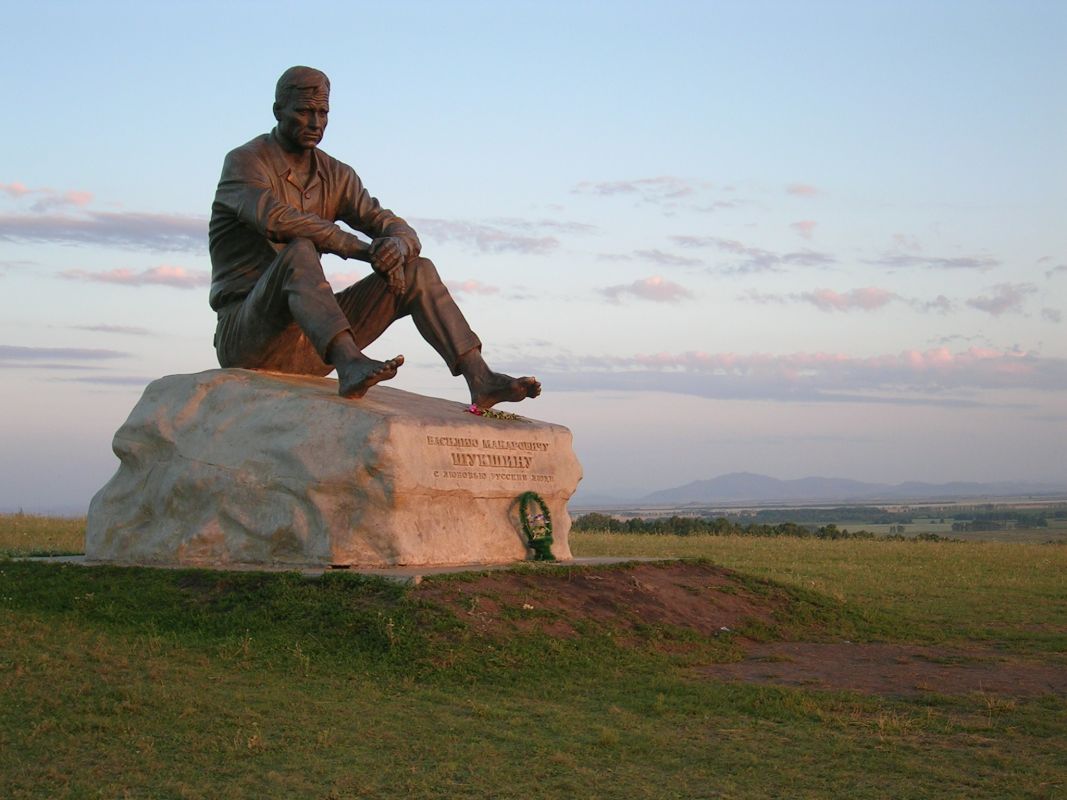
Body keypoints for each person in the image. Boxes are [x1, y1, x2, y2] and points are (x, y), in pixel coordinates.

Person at [208, 66, 540, 408]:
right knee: (300, 250)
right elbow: (278, 220)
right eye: (304, 111)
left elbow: (396, 227)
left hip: (308, 342)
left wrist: (393, 248)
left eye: (323, 113)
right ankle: (349, 363)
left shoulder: (336, 174)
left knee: (417, 270)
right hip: (248, 337)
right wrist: (366, 251)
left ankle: (480, 378)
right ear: (278, 111)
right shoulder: (244, 162)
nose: (315, 123)